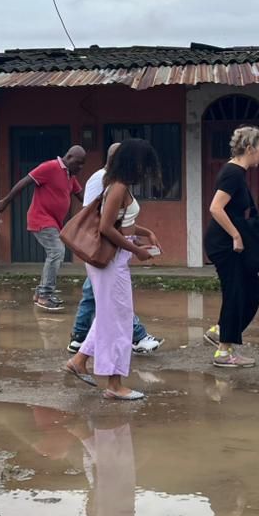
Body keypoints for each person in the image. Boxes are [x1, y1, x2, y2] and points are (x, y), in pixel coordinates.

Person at [63, 139, 160, 401]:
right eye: (143, 164)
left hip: (116, 257)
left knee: (111, 315)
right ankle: (114, 384)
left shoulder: (117, 185)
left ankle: (79, 361)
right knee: (118, 321)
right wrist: (137, 250)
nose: (145, 170)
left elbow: (122, 223)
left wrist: (142, 235)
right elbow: (106, 227)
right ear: (133, 162)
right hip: (112, 260)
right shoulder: (118, 187)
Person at [203, 126, 259, 368]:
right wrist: (236, 236)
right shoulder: (232, 173)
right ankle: (224, 351)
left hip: (228, 243)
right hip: (224, 244)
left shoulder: (237, 172)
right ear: (249, 149)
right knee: (236, 292)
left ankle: (222, 331)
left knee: (251, 289)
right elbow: (215, 208)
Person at [0, 145, 86, 311]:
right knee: (57, 251)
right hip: (41, 219)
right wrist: (5, 201)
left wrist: (100, 206)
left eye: (83, 164)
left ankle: (40, 293)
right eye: (78, 163)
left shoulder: (70, 176)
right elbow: (25, 182)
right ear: (69, 157)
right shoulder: (50, 167)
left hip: (54, 222)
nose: (80, 167)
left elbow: (82, 197)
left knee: (55, 252)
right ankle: (45, 294)